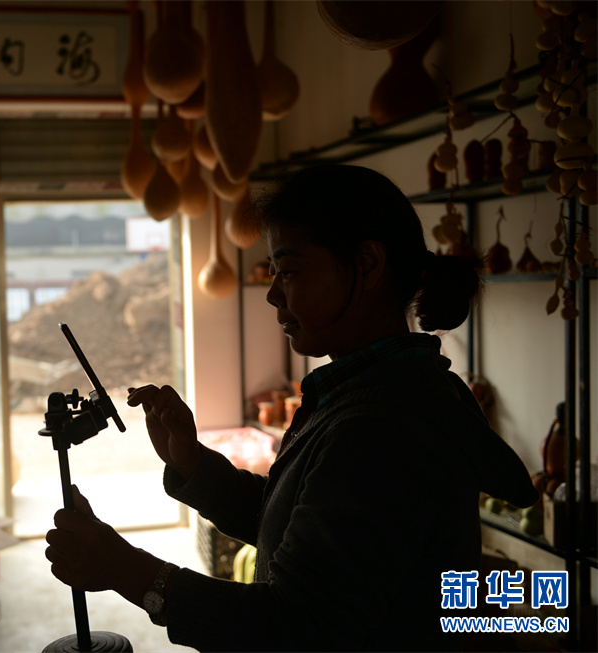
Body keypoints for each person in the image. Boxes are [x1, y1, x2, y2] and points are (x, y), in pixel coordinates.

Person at [44, 164, 538, 651]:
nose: (273, 293)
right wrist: (193, 464)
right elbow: (301, 527)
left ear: (367, 265)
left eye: (291, 270)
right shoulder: (370, 388)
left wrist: (126, 569)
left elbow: (296, 627)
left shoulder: (384, 426)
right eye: (274, 271)